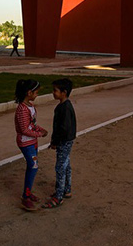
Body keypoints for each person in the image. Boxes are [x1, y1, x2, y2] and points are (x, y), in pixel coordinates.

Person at [42, 78, 76, 209]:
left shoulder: (64, 108)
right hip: (66, 140)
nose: (53, 93)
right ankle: (67, 189)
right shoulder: (64, 106)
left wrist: (55, 142)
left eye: (55, 90)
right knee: (66, 165)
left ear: (64, 92)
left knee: (60, 167)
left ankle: (59, 196)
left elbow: (63, 128)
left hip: (64, 141)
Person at [15, 79, 48, 211]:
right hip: (26, 142)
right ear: (29, 93)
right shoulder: (22, 109)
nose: (37, 95)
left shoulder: (30, 107)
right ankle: (25, 197)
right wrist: (39, 134)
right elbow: (24, 129)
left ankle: (28, 192)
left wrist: (40, 129)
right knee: (33, 166)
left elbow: (31, 124)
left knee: (33, 166)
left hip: (32, 142)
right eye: (36, 92)